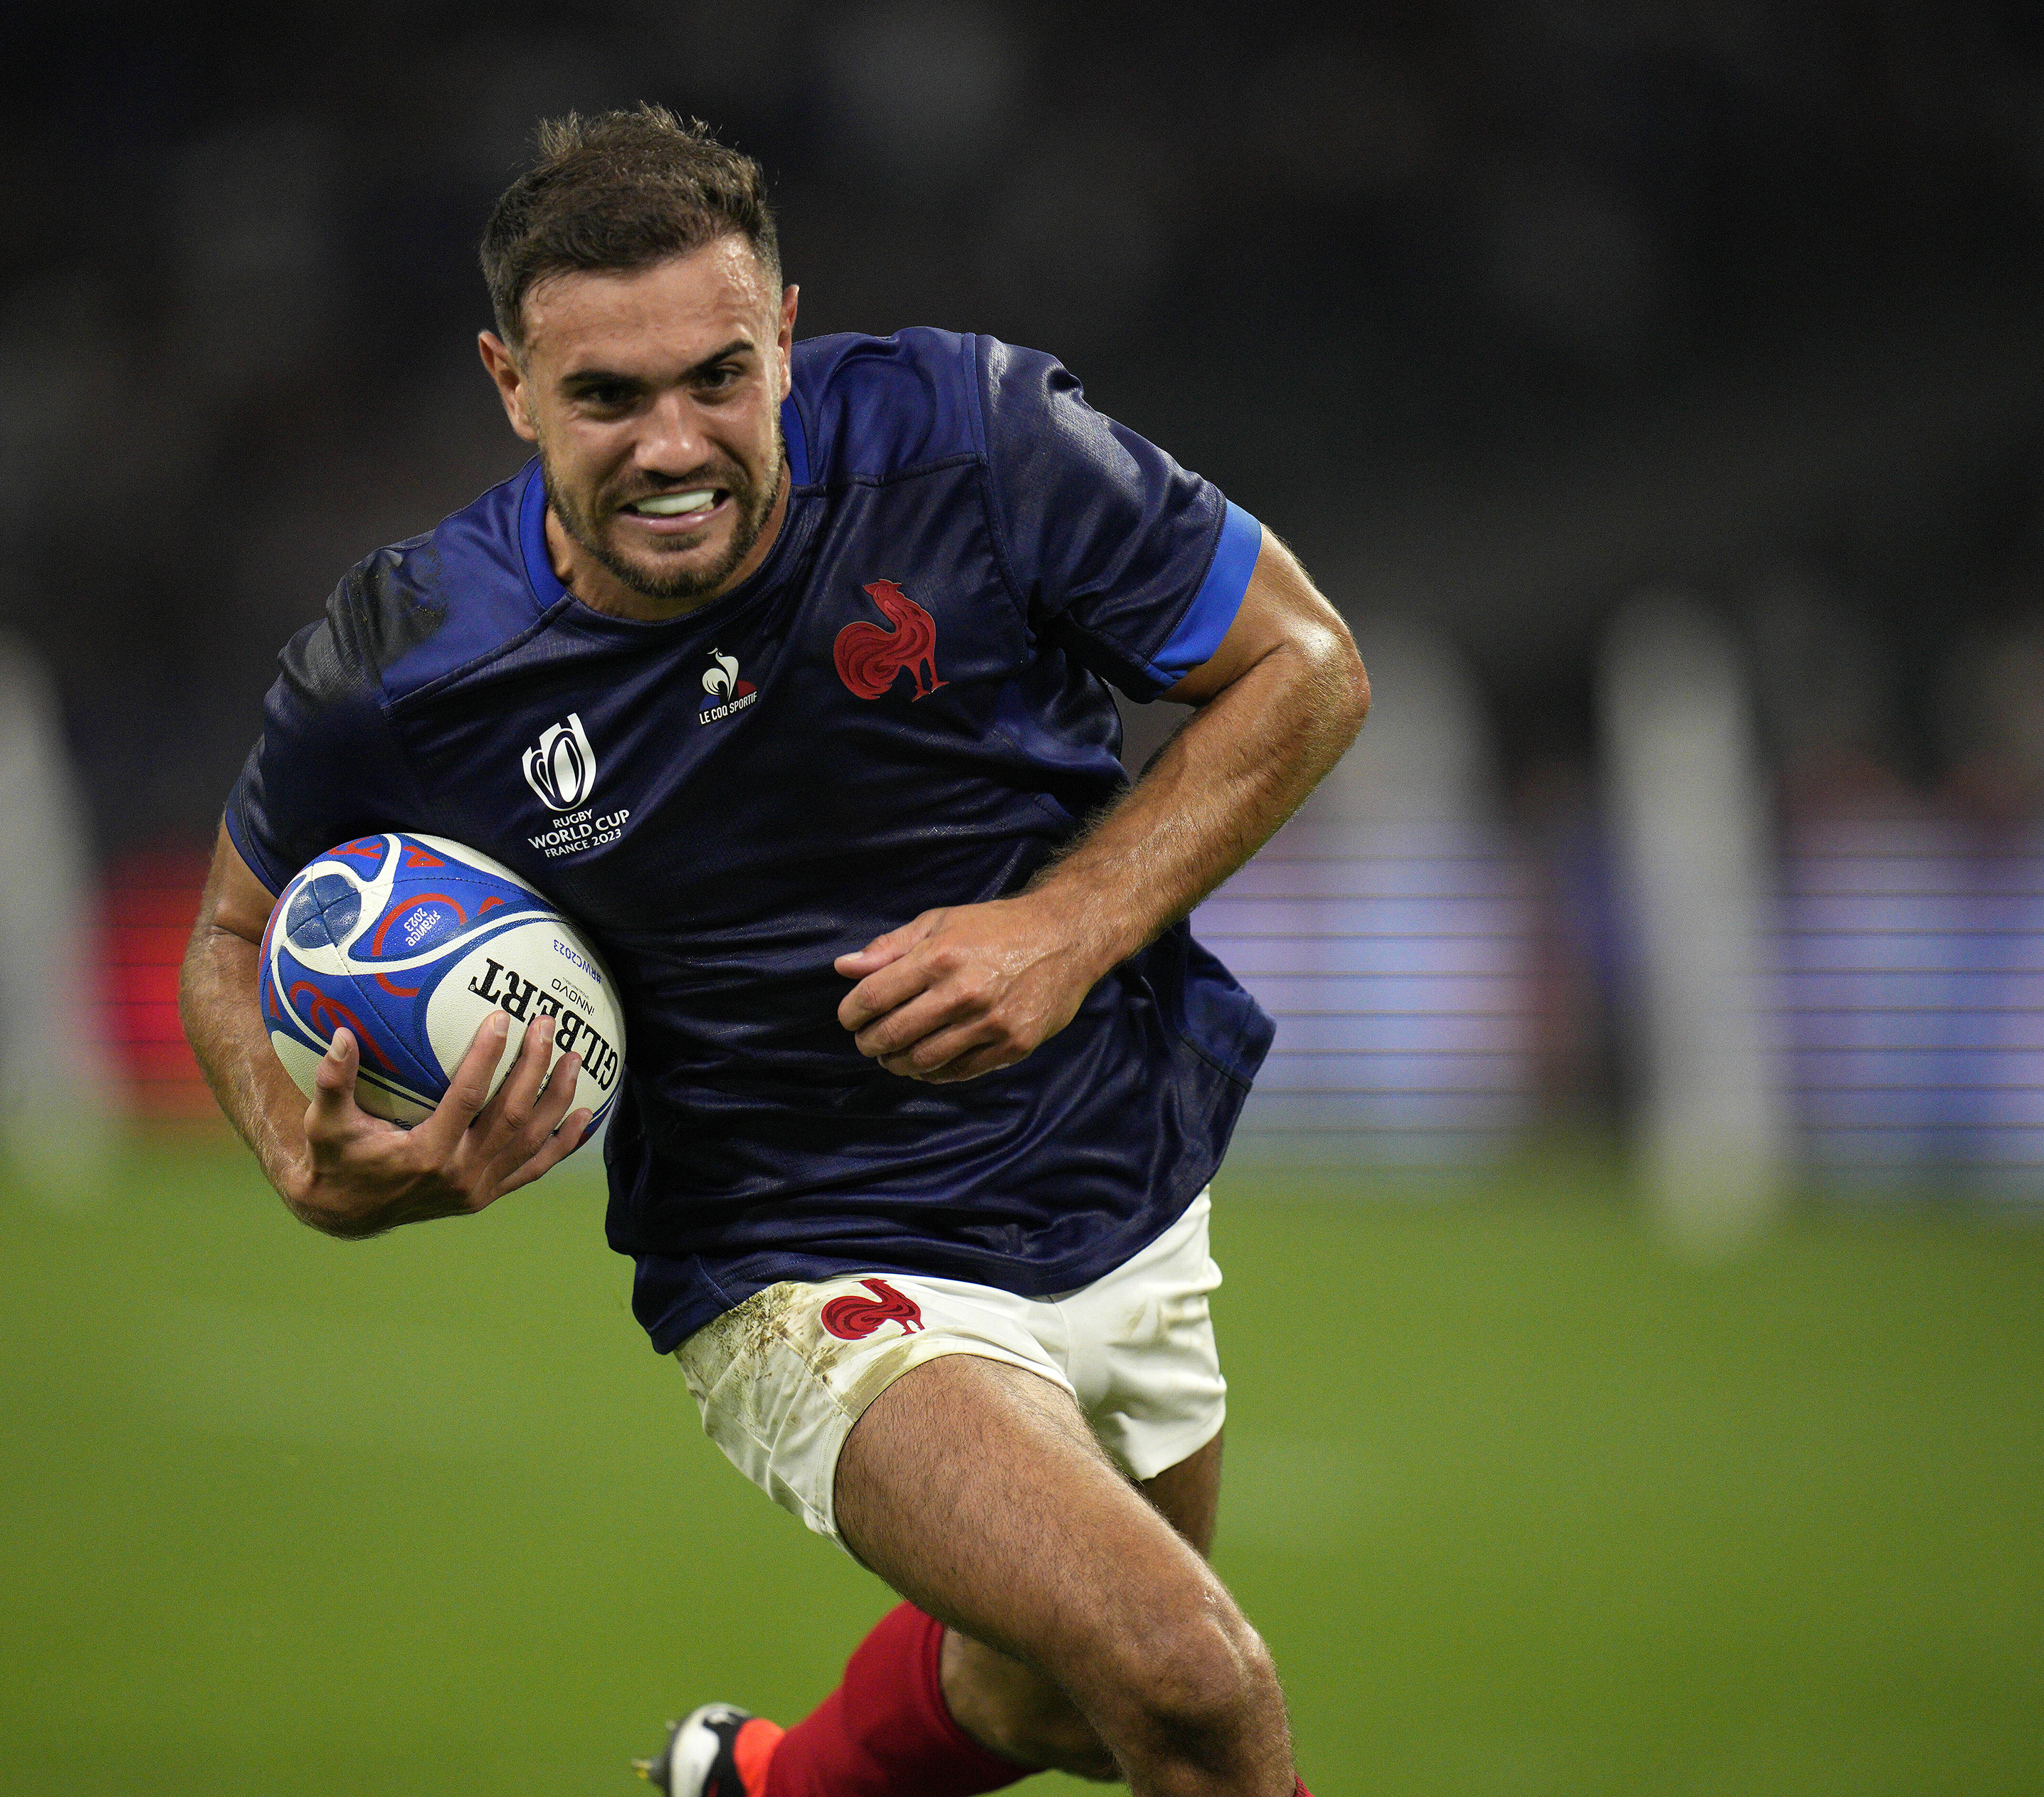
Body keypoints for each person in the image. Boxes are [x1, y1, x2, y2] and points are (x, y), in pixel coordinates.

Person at [178, 105, 1366, 1797]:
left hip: (1112, 1170)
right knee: (1188, 1685)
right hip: (803, 1256)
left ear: (788, 334)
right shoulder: (411, 654)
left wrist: (1067, 924)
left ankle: (758, 1789)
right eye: (605, 398)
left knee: (1044, 1704)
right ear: (510, 387)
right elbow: (230, 935)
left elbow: (1305, 668)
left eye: (717, 378)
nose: (674, 444)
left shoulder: (975, 439)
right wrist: (295, 1145)